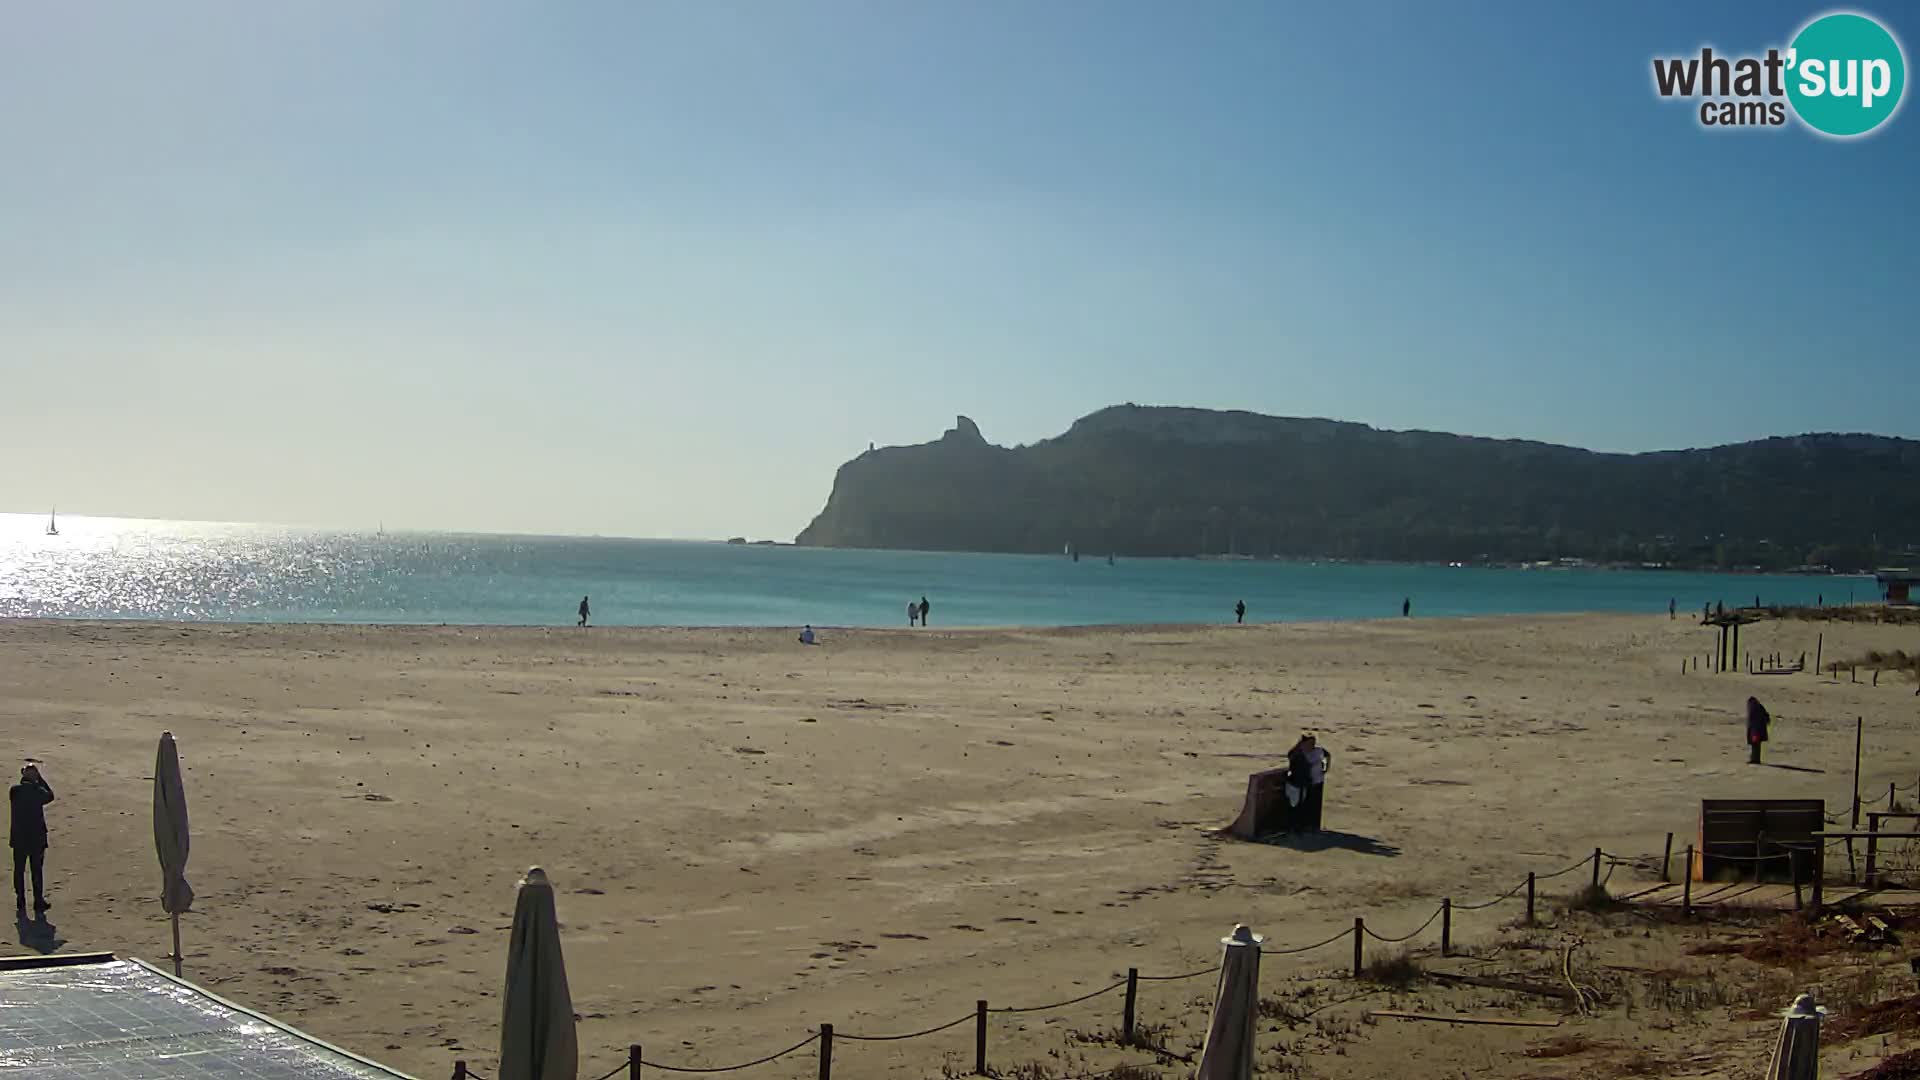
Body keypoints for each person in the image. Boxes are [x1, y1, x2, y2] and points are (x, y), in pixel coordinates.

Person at [10, 763, 54, 914]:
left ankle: (20, 900)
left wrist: (28, 777)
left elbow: (24, 788)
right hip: (36, 838)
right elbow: (50, 795)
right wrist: (39, 779)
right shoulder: (38, 791)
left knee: (19, 871)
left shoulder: (14, 791)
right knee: (36, 871)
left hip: (19, 838)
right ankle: (38, 901)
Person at [1303, 737, 1333, 832]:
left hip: (1318, 781)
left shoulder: (1319, 751)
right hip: (1307, 782)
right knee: (1307, 804)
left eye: (1313, 742)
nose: (1312, 744)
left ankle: (1315, 825)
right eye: (1310, 742)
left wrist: (1326, 768)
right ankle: (1307, 824)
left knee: (1316, 804)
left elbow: (1328, 755)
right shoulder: (1302, 753)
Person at [1284, 736, 1313, 834]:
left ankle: (1295, 827)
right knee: (1294, 807)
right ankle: (1293, 827)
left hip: (1300, 784)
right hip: (1295, 785)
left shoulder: (1304, 754)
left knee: (1298, 806)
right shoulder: (1297, 754)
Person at [1746, 696, 1771, 764]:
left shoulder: (1755, 709)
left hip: (1756, 731)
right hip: (1757, 731)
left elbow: (1755, 722)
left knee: (1755, 746)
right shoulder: (1758, 708)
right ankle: (1755, 759)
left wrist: (1754, 733)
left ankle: (1755, 760)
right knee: (1756, 746)